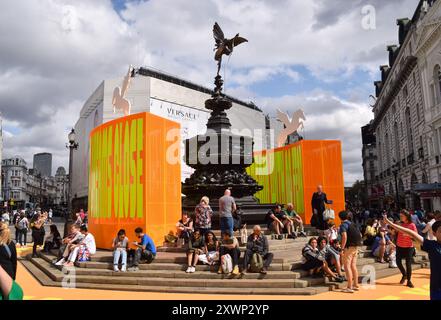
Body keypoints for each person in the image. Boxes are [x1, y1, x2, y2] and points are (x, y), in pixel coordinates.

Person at [384, 216, 441, 300]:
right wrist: (391, 224)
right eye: (440, 231)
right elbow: (412, 233)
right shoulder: (432, 245)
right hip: (437, 289)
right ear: (434, 233)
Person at [339, 210, 362, 293]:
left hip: (349, 247)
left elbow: (344, 236)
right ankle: (355, 285)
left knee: (347, 266)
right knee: (353, 266)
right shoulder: (353, 224)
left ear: (340, 218)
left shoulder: (343, 225)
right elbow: (360, 235)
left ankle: (349, 286)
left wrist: (342, 248)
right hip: (356, 247)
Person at [394, 209, 417, 288]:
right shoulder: (400, 224)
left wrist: (408, 235)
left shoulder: (412, 225)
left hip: (409, 247)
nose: (400, 217)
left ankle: (409, 281)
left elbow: (415, 236)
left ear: (406, 216)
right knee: (398, 262)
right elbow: (394, 232)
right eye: (400, 216)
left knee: (408, 264)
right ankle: (404, 274)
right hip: (399, 245)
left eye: (402, 216)